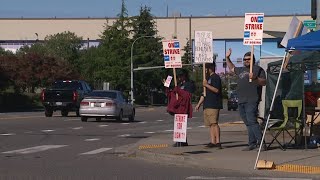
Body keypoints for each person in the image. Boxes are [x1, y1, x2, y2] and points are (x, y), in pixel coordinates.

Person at [226, 48, 266, 151]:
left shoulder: (258, 69)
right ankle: (251, 143)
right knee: (247, 122)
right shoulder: (240, 70)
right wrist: (227, 58)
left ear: (253, 59)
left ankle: (262, 143)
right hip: (241, 100)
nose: (246, 61)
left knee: (252, 121)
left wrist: (255, 79)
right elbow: (232, 68)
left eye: (248, 59)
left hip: (252, 99)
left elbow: (264, 82)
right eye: (244, 59)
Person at [195, 62, 223, 148]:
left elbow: (216, 90)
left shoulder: (216, 77)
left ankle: (218, 142)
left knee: (214, 123)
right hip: (207, 104)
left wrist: (207, 85)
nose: (206, 69)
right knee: (210, 124)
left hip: (214, 104)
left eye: (207, 67)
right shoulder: (207, 78)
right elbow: (204, 93)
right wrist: (199, 104)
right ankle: (212, 141)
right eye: (205, 67)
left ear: (212, 67)